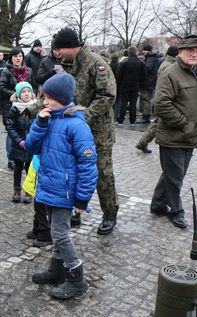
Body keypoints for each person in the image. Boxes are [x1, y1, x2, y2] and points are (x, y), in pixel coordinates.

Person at [25, 73, 98, 300]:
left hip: (65, 191)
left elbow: (88, 165)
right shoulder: (49, 119)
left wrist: (82, 199)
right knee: (56, 232)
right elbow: (31, 146)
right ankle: (57, 270)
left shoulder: (77, 125)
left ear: (62, 99)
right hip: (48, 187)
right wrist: (40, 123)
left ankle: (77, 278)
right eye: (44, 97)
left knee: (60, 234)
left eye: (48, 97)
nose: (44, 102)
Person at [53, 27, 118, 235]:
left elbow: (107, 96)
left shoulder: (96, 63)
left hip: (98, 133)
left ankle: (110, 215)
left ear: (72, 46)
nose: (56, 53)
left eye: (59, 49)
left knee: (102, 173)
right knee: (71, 173)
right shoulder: (65, 67)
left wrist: (83, 118)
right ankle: (74, 212)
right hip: (73, 132)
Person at [149, 36, 197, 229]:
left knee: (172, 173)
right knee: (175, 176)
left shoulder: (193, 72)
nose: (194, 54)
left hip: (188, 136)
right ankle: (176, 211)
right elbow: (161, 104)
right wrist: (184, 125)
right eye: (190, 50)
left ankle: (158, 204)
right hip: (175, 136)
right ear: (180, 53)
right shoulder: (171, 73)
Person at [135, 45, 178, 154]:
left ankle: (143, 143)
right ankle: (143, 142)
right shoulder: (169, 66)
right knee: (160, 122)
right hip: (166, 98)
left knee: (159, 122)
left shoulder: (168, 64)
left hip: (164, 96)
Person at [0, 47, 35, 170]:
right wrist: (16, 95)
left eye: (19, 56)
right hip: (12, 105)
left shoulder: (28, 70)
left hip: (28, 105)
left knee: (26, 130)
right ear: (11, 58)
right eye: (15, 56)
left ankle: (27, 156)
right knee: (11, 132)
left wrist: (30, 96)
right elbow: (2, 87)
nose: (17, 58)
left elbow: (33, 86)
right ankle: (11, 158)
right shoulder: (6, 71)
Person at [6, 81, 36, 203]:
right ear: (18, 95)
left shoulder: (35, 108)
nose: (26, 94)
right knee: (18, 168)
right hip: (18, 145)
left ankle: (29, 191)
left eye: (28, 91)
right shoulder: (14, 109)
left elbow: (38, 126)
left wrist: (32, 140)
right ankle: (16, 190)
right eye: (23, 92)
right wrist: (19, 141)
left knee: (30, 169)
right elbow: (10, 127)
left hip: (31, 145)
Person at [23, 155, 53, 247]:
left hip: (46, 164)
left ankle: (45, 231)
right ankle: (39, 226)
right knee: (39, 201)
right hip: (41, 163)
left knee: (41, 202)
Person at [115, 45, 147, 127]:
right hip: (136, 84)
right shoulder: (141, 62)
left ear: (128, 52)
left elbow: (118, 74)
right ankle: (132, 121)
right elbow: (145, 75)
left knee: (124, 102)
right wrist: (141, 83)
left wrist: (118, 84)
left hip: (124, 84)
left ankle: (120, 120)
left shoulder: (124, 62)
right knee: (133, 103)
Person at [137, 44, 160, 124]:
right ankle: (147, 116)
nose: (144, 52)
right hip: (150, 82)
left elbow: (147, 68)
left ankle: (145, 116)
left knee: (144, 100)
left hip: (147, 82)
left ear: (149, 51)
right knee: (148, 100)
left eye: (145, 50)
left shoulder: (150, 58)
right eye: (144, 50)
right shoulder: (153, 58)